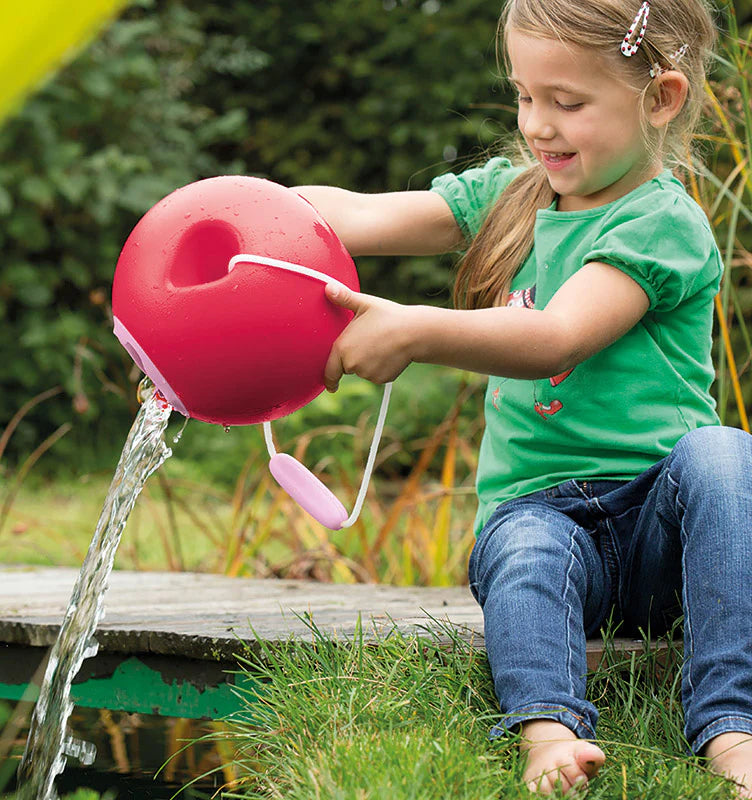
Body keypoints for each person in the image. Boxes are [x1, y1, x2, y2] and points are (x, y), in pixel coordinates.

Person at [293, 0, 752, 795]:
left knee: (725, 455)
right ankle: (549, 733)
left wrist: (414, 330)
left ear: (662, 98)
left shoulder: (662, 222)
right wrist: (246, 214)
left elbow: (558, 337)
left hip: (660, 528)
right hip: (543, 517)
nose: (538, 124)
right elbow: (356, 215)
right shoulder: (510, 195)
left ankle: (731, 724)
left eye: (568, 103)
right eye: (524, 95)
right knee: (524, 546)